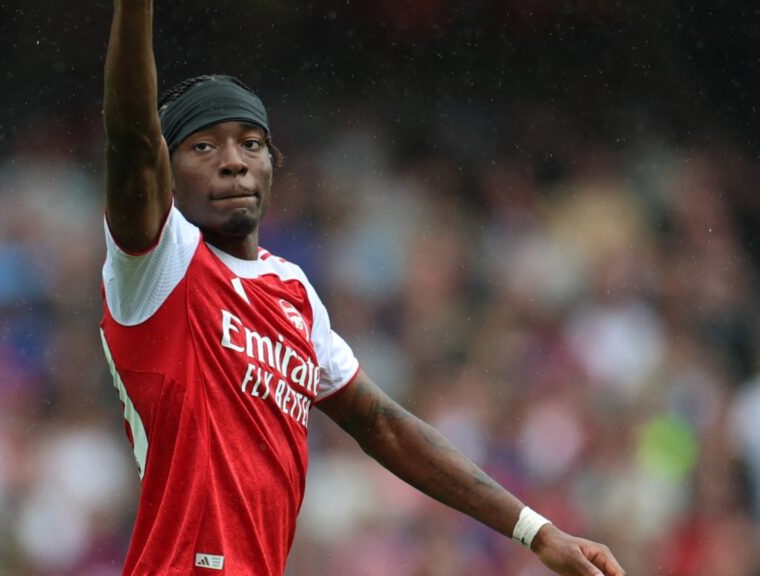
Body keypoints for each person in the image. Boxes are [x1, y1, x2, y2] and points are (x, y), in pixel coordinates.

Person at [99, 1, 627, 575]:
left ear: (273, 163)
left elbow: (383, 425)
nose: (233, 162)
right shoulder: (158, 263)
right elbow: (130, 137)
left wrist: (535, 530)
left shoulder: (292, 291)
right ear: (167, 173)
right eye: (203, 147)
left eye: (251, 143)